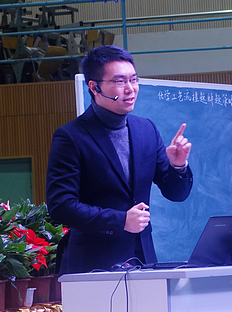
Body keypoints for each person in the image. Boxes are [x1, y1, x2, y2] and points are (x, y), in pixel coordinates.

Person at [46, 45, 193, 274]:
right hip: (92, 265)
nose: (130, 89)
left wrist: (178, 165)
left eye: (133, 80)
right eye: (119, 81)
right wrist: (121, 220)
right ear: (94, 87)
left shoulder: (146, 129)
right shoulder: (71, 137)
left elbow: (176, 193)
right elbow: (61, 206)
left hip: (144, 261)